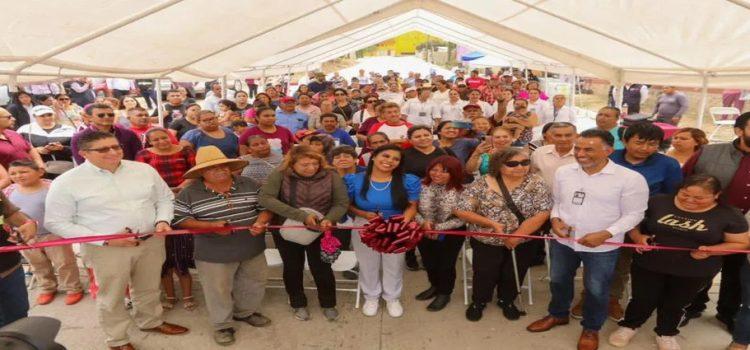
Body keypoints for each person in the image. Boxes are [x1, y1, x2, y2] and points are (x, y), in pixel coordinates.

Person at [45, 131, 188, 349]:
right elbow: (56, 222)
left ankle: (150, 321)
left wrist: (162, 220)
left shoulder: (143, 169)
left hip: (151, 240)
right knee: (112, 295)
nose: (113, 152)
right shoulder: (67, 182)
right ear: (84, 153)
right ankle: (118, 339)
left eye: (116, 146)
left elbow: (164, 198)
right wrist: (105, 241)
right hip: (106, 249)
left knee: (149, 287)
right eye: (103, 149)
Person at [526, 129, 649, 350]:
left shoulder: (630, 179)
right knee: (558, 280)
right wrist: (555, 221)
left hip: (602, 246)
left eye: (588, 149)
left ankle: (591, 327)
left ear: (608, 150)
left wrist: (606, 234)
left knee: (597, 289)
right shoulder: (565, 172)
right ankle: (558, 314)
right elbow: (557, 203)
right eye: (578, 148)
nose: (580, 153)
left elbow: (634, 214)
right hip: (563, 241)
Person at [606, 174, 749, 350]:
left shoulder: (729, 214)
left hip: (695, 270)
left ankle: (666, 333)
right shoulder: (657, 202)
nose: (690, 200)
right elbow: (632, 222)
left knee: (677, 302)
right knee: (642, 298)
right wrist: (637, 237)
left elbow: (741, 243)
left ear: (716, 195)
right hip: (649, 264)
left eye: (699, 198)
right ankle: (629, 326)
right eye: (684, 194)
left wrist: (713, 250)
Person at [571, 122, 683, 321]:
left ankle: (613, 298)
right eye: (639, 142)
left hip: (643, 221)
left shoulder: (668, 164)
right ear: (624, 140)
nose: (645, 149)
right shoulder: (608, 157)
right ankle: (587, 296)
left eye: (652, 144)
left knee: (622, 262)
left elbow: (671, 196)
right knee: (595, 261)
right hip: (604, 219)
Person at [173, 146, 271, 346]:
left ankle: (245, 313)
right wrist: (209, 226)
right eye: (212, 168)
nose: (220, 170)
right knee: (217, 289)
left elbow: (265, 208)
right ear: (201, 172)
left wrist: (261, 221)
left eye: (223, 166)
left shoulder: (249, 183)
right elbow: (179, 220)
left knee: (253, 282)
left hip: (251, 245)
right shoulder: (189, 192)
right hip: (212, 252)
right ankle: (222, 325)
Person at [457, 148, 552, 322]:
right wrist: (491, 223)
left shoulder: (536, 182)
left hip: (523, 239)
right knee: (485, 272)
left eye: (525, 162)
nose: (520, 167)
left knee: (514, 271)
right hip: (487, 239)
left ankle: (507, 300)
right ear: (499, 165)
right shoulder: (481, 183)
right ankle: (479, 301)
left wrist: (517, 236)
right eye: (512, 164)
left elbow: (543, 212)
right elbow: (461, 210)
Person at [259, 146, 348, 321]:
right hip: (287, 229)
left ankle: (328, 303)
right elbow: (266, 198)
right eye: (305, 164)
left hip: (321, 230)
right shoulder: (280, 174)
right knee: (292, 267)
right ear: (292, 163)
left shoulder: (331, 176)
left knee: (322, 267)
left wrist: (329, 219)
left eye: (315, 163)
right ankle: (298, 303)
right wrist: (302, 216)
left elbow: (341, 202)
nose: (311, 168)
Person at [681, 112, 750, 331]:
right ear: (739, 131)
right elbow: (684, 182)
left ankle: (727, 313)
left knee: (736, 274)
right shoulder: (708, 153)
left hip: (746, 230)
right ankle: (690, 306)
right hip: (706, 224)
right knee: (698, 267)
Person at [345, 144, 420, 318]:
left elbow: (412, 206)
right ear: (374, 157)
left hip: (396, 225)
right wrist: (364, 214)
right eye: (386, 156)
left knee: (394, 263)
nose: (390, 161)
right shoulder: (355, 179)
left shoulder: (408, 180)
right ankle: (371, 296)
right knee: (367, 263)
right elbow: (348, 205)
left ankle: (392, 297)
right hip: (365, 224)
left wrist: (403, 222)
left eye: (395, 159)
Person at [4, 160, 82, 306]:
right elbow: (8, 216)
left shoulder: (52, 187)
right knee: (38, 264)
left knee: (64, 262)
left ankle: (73, 288)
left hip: (53, 234)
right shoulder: (9, 191)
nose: (18, 176)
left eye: (23, 172)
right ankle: (47, 288)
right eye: (13, 173)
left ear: (40, 172)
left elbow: (68, 207)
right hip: (26, 238)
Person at [135, 128, 196, 311]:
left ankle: (187, 294)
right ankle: (169, 294)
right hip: (155, 202)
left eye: (164, 137)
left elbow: (193, 172)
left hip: (183, 198)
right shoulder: (143, 155)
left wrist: (178, 188)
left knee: (181, 250)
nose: (162, 141)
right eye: (156, 139)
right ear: (149, 142)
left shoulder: (185, 150)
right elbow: (141, 178)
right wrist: (164, 193)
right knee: (164, 254)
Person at [414, 156, 467, 311]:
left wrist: (438, 227)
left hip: (451, 232)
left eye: (444, 171)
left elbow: (463, 218)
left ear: (454, 173)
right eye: (434, 170)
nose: (437, 174)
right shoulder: (421, 186)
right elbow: (412, 208)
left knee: (446, 264)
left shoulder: (462, 191)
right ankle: (434, 286)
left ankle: (444, 293)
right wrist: (423, 222)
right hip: (423, 229)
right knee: (429, 261)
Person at [71, 103, 142, 164]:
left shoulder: (128, 134)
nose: (107, 117)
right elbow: (81, 163)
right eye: (101, 115)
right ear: (90, 118)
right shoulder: (79, 138)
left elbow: (139, 156)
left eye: (111, 115)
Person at [17, 105, 76, 176]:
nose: (47, 118)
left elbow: (77, 149)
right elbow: (18, 149)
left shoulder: (68, 129)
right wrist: (35, 150)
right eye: (42, 116)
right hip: (38, 169)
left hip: (65, 168)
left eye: (49, 115)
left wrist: (62, 148)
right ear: (34, 116)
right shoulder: (24, 129)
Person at [530, 122, 578, 187]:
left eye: (568, 135)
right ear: (551, 136)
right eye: (558, 135)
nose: (563, 139)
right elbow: (531, 174)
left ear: (576, 136)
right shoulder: (539, 153)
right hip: (543, 196)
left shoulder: (584, 156)